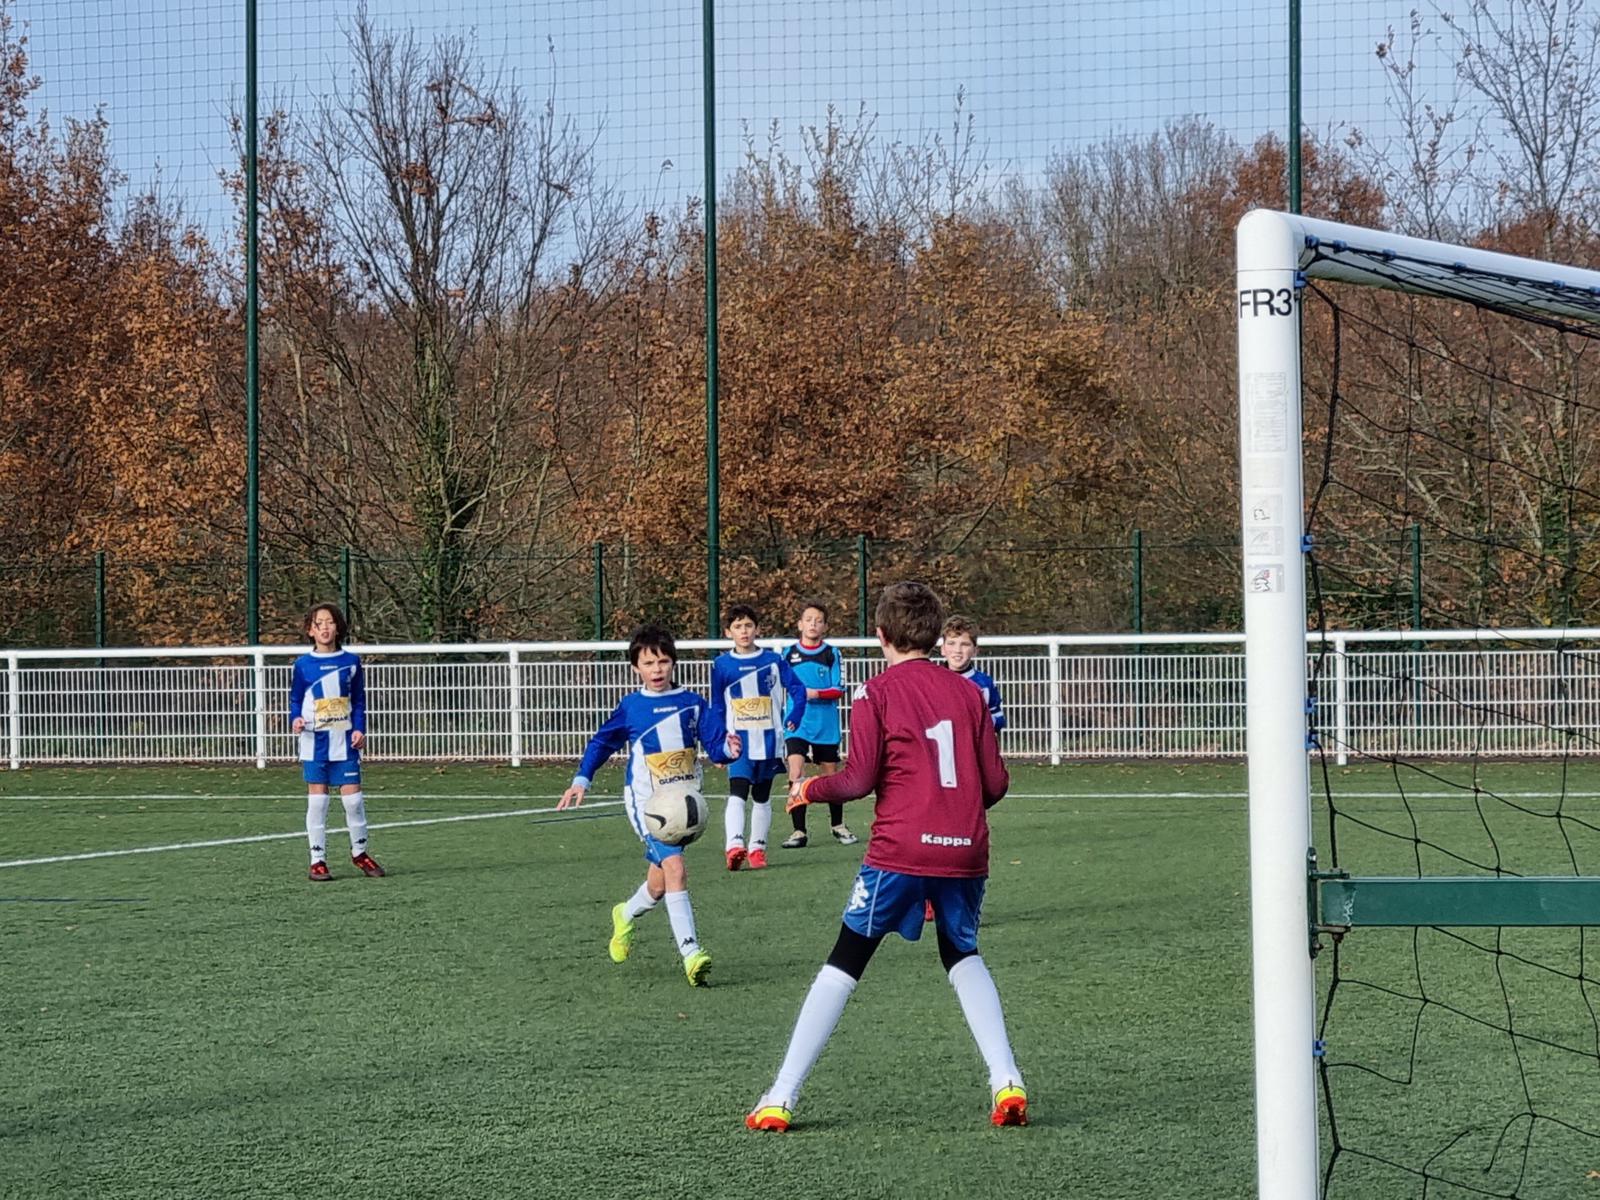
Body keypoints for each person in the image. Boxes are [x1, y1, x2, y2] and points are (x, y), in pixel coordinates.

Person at [747, 582, 1027, 1133]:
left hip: (900, 850)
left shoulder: (875, 693)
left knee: (845, 961)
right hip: (966, 850)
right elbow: (995, 783)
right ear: (934, 635)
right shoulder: (970, 694)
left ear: (880, 636)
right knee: (962, 953)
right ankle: (1007, 1079)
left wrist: (809, 791)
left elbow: (856, 781)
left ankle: (781, 1096)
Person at [557, 624, 738, 986]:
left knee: (659, 883)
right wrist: (582, 778)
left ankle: (625, 913)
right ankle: (691, 952)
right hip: (649, 806)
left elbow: (716, 743)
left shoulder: (692, 703)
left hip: (684, 807)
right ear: (635, 667)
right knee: (676, 869)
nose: (657, 670)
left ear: (673, 663)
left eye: (663, 661)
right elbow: (601, 743)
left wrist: (728, 750)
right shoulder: (632, 707)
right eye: (649, 663)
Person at [289, 603, 385, 882]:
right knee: (318, 802)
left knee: (353, 801)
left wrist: (359, 729)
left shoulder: (351, 662)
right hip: (313, 741)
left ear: (338, 627)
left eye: (330, 622)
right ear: (310, 630)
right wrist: (295, 718)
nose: (325, 628)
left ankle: (360, 853)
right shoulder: (303, 664)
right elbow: (296, 699)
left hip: (344, 742)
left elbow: (358, 701)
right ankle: (317, 860)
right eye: (319, 623)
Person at [711, 604, 807, 871]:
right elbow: (717, 706)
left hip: (769, 741)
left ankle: (757, 849)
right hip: (737, 743)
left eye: (748, 626)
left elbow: (797, 689)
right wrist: (718, 744)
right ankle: (734, 845)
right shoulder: (721, 665)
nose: (744, 631)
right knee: (738, 791)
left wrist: (795, 713)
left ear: (757, 629)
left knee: (762, 796)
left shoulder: (773, 662)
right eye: (738, 627)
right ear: (729, 632)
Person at [780, 600, 857, 848]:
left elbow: (839, 688)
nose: (813, 624)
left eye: (819, 620)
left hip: (826, 724)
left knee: (830, 776)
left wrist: (814, 694)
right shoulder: (787, 654)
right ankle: (798, 831)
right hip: (797, 722)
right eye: (809, 619)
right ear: (800, 624)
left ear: (825, 626)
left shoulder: (832, 653)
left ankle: (838, 825)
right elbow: (780, 684)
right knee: (795, 772)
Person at [941, 615, 1006, 732]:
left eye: (965, 644)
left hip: (973, 748)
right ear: (943, 649)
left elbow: (999, 719)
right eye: (951, 643)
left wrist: (978, 719)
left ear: (975, 651)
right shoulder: (932, 681)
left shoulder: (984, 683)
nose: (957, 650)